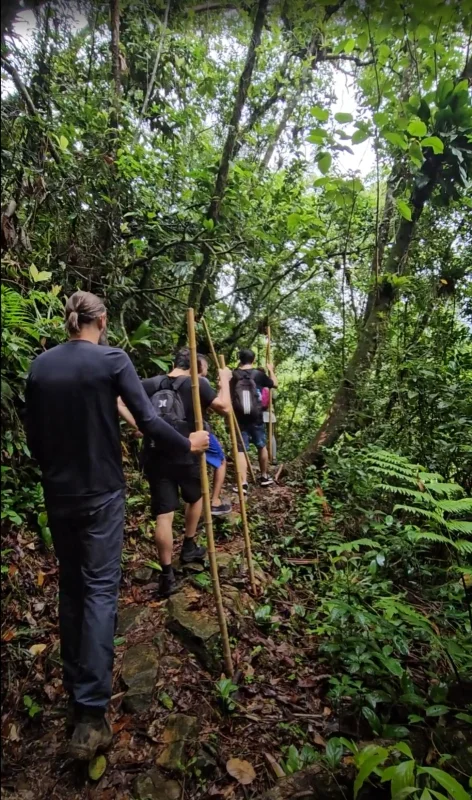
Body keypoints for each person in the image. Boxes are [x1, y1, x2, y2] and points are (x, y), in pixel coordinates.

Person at [25, 291, 209, 762]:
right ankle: (90, 715)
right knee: (101, 590)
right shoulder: (111, 359)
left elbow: (34, 436)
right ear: (101, 321)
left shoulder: (41, 366)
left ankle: (74, 688)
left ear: (70, 322)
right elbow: (147, 420)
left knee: (72, 587)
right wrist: (187, 444)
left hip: (59, 493)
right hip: (102, 493)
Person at [140, 349, 232, 598]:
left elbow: (119, 401)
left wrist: (142, 428)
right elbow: (224, 407)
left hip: (156, 455)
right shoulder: (197, 384)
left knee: (164, 515)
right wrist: (224, 379)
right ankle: (189, 545)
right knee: (196, 497)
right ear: (195, 367)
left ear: (173, 363)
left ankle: (166, 574)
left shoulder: (151, 383)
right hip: (187, 453)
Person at [231, 348, 277, 493]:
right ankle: (264, 476)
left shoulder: (234, 375)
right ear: (254, 359)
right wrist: (271, 370)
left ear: (240, 359)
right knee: (261, 445)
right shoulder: (258, 374)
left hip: (239, 416)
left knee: (240, 449)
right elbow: (274, 384)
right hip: (256, 416)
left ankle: (243, 483)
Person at [198, 355, 232, 517]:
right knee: (221, 462)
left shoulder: (175, 382)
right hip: (200, 432)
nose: (206, 371)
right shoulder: (200, 382)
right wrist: (224, 383)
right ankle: (215, 501)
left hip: (178, 433)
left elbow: (209, 406)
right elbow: (222, 408)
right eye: (205, 367)